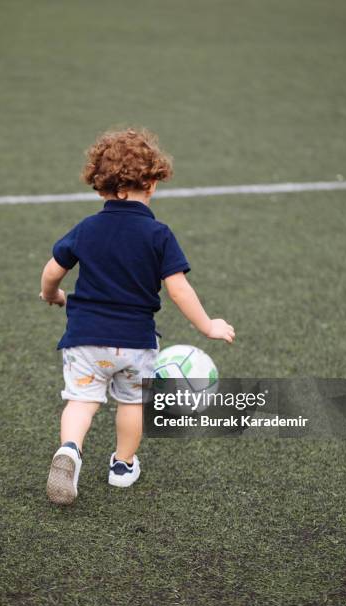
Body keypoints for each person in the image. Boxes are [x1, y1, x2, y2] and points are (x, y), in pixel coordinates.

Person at [39, 128, 235, 505]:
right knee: (131, 404)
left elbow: (52, 271)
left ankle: (69, 450)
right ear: (151, 183)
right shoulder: (158, 234)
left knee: (81, 401)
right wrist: (208, 325)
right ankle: (123, 466)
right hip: (135, 344)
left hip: (86, 340)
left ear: (101, 188)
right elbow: (178, 289)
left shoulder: (87, 228)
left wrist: (53, 295)